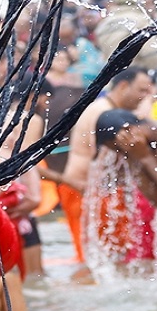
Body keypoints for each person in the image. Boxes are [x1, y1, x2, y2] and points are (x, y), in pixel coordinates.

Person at [62, 66, 153, 266]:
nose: (146, 96)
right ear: (122, 86)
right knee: (97, 259)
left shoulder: (114, 112)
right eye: (141, 90)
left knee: (110, 256)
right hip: (85, 190)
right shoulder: (102, 113)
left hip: (102, 192)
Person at [82, 109, 157, 274]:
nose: (121, 154)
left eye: (118, 148)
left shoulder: (147, 145)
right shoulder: (136, 152)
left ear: (129, 132)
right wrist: (137, 158)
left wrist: (145, 157)